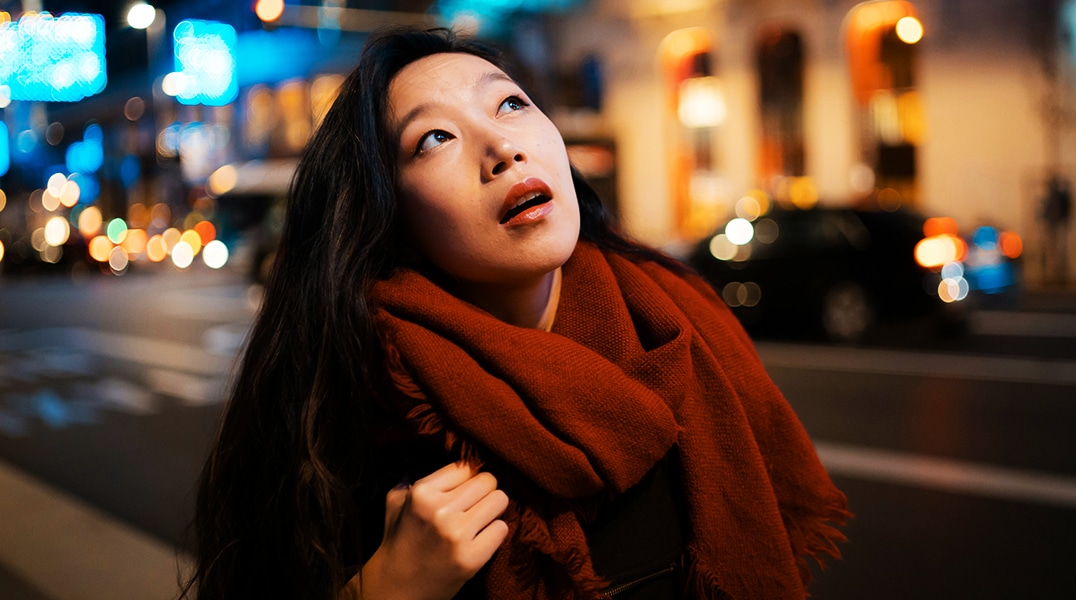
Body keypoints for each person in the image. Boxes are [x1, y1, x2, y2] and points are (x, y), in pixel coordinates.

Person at [184, 27, 849, 600]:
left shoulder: (680, 320)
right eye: (435, 139)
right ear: (389, 218)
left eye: (510, 104)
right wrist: (384, 590)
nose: (502, 147)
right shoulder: (351, 410)